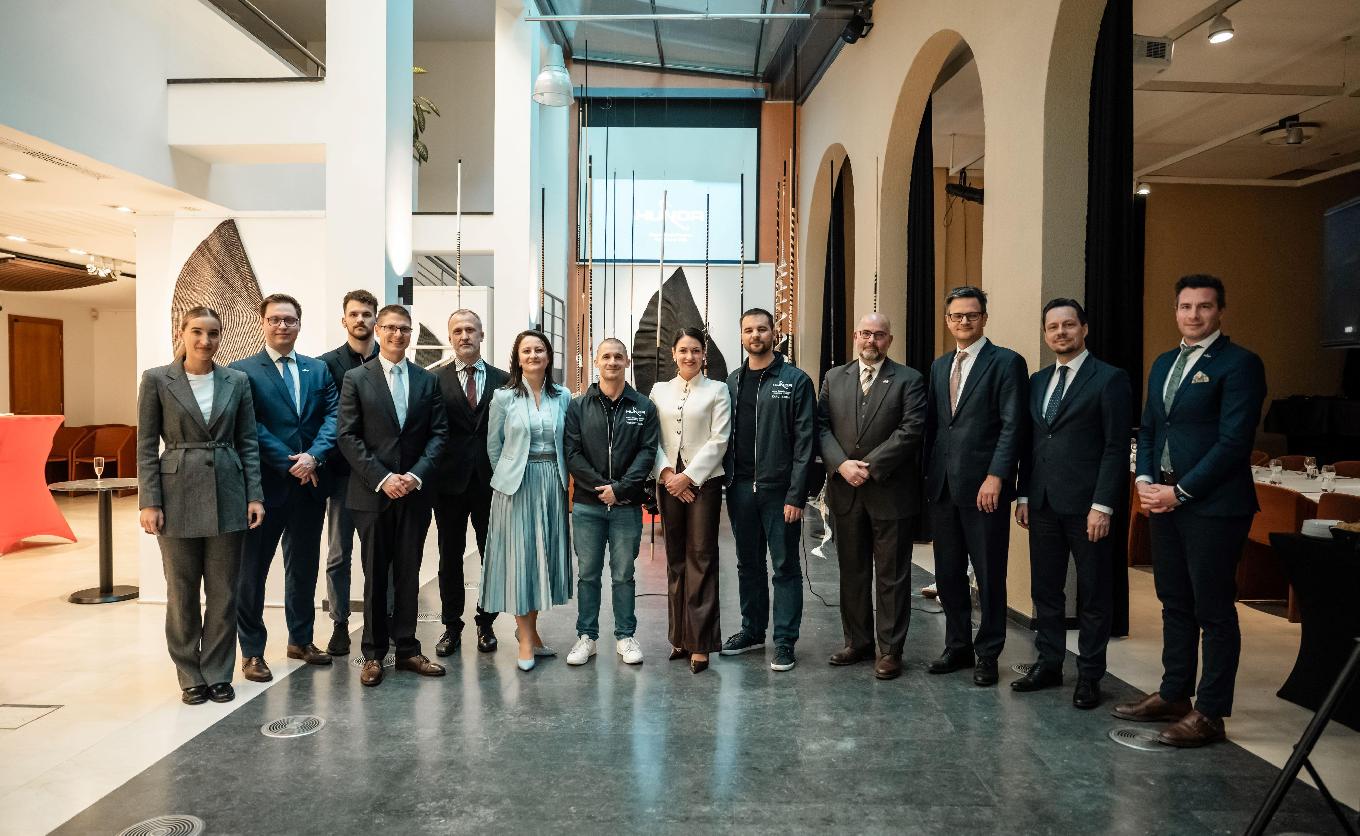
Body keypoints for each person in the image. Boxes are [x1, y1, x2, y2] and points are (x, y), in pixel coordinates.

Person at [1115, 275, 1265, 747]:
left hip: (1214, 507)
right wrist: (1144, 481)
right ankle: (1174, 693)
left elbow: (1233, 443)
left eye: (1204, 306)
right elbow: (1150, 428)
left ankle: (1211, 713)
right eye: (1185, 306)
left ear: (1220, 311)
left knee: (1213, 608)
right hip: (1163, 501)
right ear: (1175, 311)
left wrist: (1180, 492)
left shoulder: (1240, 364)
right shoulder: (1164, 363)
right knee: (1174, 601)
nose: (1194, 315)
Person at [137, 306, 265, 705]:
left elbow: (248, 442)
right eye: (197, 331)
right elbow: (145, 446)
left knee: (224, 592)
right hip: (176, 495)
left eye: (212, 333)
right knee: (182, 592)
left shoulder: (236, 380)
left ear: (221, 337)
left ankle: (218, 672)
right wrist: (149, 501)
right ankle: (190, 674)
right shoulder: (157, 379)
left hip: (228, 491)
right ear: (182, 332)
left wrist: (254, 495)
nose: (204, 340)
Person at [1013, 298, 1131, 709]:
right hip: (1043, 503)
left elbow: (1116, 447)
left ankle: (1090, 676)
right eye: (1052, 327)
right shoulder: (1038, 380)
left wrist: (1103, 505)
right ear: (1046, 334)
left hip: (1088, 508)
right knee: (1046, 589)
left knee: (1094, 594)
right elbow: (1031, 442)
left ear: (1084, 329)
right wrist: (1024, 493)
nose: (1060, 332)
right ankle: (1048, 663)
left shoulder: (1109, 379)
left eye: (1068, 325)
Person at [337, 304, 449, 687]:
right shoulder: (356, 378)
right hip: (371, 495)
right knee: (374, 576)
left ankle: (407, 649)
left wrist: (415, 476)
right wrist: (383, 478)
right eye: (390, 328)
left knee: (408, 572)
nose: (397, 334)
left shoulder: (427, 380)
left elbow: (439, 435)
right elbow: (347, 436)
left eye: (404, 328)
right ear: (378, 331)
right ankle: (372, 654)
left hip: (414, 494)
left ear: (411, 333)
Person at [230, 293, 338, 683]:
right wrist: (293, 462)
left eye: (289, 320)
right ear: (263, 323)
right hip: (264, 489)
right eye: (275, 319)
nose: (282, 325)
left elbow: (333, 416)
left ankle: (301, 640)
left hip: (310, 486)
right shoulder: (243, 372)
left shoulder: (318, 370)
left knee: (304, 568)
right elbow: (249, 426)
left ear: (299, 324)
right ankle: (252, 652)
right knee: (251, 573)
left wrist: (315, 457)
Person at [924, 286, 1028, 687]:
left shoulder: (1006, 362)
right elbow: (937, 428)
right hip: (944, 488)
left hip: (985, 489)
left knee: (988, 575)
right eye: (956, 316)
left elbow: (1013, 425)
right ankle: (957, 646)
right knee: (948, 574)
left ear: (984, 318)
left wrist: (997, 476)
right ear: (947, 320)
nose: (963, 321)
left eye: (971, 315)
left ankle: (988, 653)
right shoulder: (939, 366)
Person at [817, 313, 926, 680]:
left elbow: (911, 430)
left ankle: (891, 650)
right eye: (866, 333)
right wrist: (841, 465)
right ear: (855, 336)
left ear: (889, 340)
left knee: (892, 576)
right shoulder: (834, 377)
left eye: (879, 335)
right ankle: (858, 642)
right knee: (853, 573)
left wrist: (869, 466)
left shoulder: (909, 380)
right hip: (845, 491)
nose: (871, 341)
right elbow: (821, 427)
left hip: (890, 492)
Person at [721, 308, 816, 672]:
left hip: (780, 492)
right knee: (748, 564)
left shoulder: (795, 380)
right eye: (749, 330)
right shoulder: (732, 382)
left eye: (762, 329)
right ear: (741, 336)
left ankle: (785, 641)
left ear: (774, 333)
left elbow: (806, 443)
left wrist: (797, 494)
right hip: (740, 489)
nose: (755, 335)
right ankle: (752, 630)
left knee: (785, 566)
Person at [480, 329, 574, 672]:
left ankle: (531, 633)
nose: (533, 355)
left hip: (552, 483)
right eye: (526, 351)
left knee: (541, 560)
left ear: (548, 356)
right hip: (516, 487)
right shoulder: (504, 397)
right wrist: (509, 477)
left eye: (539, 350)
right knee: (521, 560)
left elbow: (569, 441)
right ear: (517, 359)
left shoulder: (563, 396)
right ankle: (524, 640)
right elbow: (494, 446)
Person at [563, 338, 659, 667]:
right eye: (606, 356)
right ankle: (586, 637)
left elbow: (647, 452)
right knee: (588, 575)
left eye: (618, 356)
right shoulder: (578, 406)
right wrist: (601, 487)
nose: (612, 362)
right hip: (588, 506)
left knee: (623, 575)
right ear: (596, 361)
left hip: (626, 506)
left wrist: (620, 489)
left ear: (627, 361)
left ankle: (625, 636)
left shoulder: (643, 407)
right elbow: (572, 453)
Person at [651, 328, 731, 674]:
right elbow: (651, 437)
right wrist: (668, 474)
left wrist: (689, 477)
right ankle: (679, 637)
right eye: (683, 350)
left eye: (695, 350)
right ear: (673, 353)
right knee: (675, 559)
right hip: (668, 481)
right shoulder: (658, 390)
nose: (689, 356)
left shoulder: (718, 390)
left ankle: (700, 642)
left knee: (701, 557)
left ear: (704, 355)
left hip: (703, 483)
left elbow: (720, 439)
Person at [432, 310, 509, 657]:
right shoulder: (434, 380)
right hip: (447, 483)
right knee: (449, 557)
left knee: (490, 556)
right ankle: (451, 626)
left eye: (471, 330)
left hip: (490, 483)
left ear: (481, 335)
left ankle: (486, 622)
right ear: (450, 337)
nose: (465, 336)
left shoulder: (504, 380)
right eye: (458, 331)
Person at [317, 289, 379, 656]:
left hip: (379, 475)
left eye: (366, 314)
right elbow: (324, 418)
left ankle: (380, 621)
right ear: (344, 320)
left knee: (380, 555)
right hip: (341, 475)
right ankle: (339, 623)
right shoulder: (326, 365)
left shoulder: (390, 359)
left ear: (375, 320)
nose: (360, 320)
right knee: (339, 554)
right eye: (354, 314)